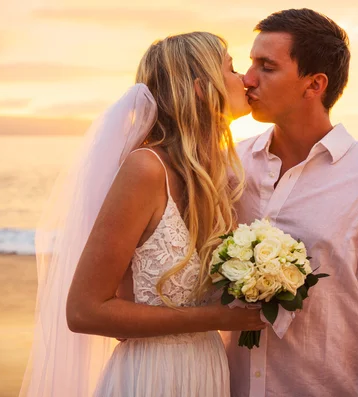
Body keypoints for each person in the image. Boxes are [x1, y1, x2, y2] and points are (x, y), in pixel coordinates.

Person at [19, 32, 265, 397]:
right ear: (201, 89)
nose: (245, 78)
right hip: (153, 376)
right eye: (231, 69)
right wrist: (222, 318)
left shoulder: (218, 177)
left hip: (208, 371)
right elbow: (85, 311)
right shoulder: (147, 170)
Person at [221, 9, 358, 397]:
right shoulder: (230, 166)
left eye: (267, 66)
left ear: (314, 84)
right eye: (250, 63)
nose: (248, 79)